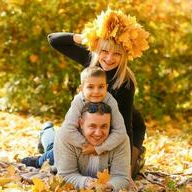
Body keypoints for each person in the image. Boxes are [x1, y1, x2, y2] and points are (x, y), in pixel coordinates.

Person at [48, 8, 148, 177]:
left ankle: (140, 154)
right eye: (104, 51)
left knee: (125, 173)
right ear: (98, 49)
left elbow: (125, 128)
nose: (109, 59)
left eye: (117, 53)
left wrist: (126, 168)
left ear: (124, 56)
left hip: (125, 126)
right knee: (55, 157)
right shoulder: (91, 60)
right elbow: (53, 40)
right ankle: (47, 133)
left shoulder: (125, 82)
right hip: (94, 125)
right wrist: (87, 38)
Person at [21, 66, 127, 168]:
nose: (96, 91)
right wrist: (87, 146)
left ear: (106, 87)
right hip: (75, 141)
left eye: (101, 87)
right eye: (90, 87)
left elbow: (120, 131)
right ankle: (39, 159)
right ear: (81, 88)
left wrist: (98, 148)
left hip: (96, 139)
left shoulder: (110, 101)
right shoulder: (78, 101)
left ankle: (47, 130)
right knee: (54, 154)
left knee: (52, 145)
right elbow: (68, 130)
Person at [54, 102, 130, 192]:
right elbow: (65, 174)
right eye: (92, 126)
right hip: (59, 150)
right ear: (81, 123)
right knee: (49, 147)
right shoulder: (66, 138)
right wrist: (85, 182)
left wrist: (111, 185)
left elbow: (121, 176)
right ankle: (47, 130)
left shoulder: (120, 140)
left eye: (104, 126)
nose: (98, 133)